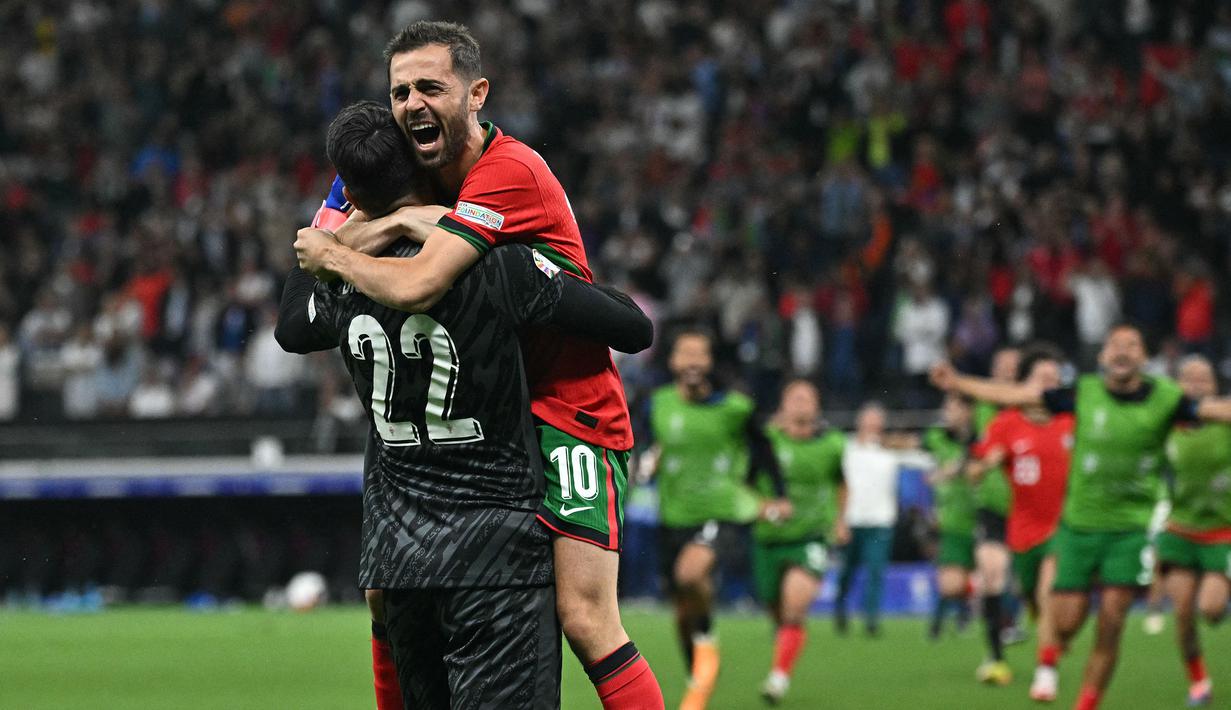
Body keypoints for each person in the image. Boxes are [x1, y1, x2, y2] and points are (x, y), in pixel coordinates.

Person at [295, 22, 664, 709]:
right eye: (400, 90)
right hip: (489, 412)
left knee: (584, 618)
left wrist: (347, 251)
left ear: (475, 93)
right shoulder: (402, 162)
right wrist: (376, 223)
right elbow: (304, 279)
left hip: (566, 407)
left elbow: (416, 283)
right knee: (387, 587)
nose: (411, 103)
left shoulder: (508, 171)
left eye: (430, 86)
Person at [931, 322, 1231, 710]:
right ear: (1103, 356)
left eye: (1132, 345)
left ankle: (1086, 703)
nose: (1123, 351)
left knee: (1112, 620)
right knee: (1066, 623)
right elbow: (1018, 394)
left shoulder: (1165, 399)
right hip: (1078, 530)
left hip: (1130, 531)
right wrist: (959, 382)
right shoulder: (1082, 394)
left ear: (1144, 357)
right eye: (1115, 345)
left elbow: (1212, 410)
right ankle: (1057, 645)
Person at [646, 329, 790, 710]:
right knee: (680, 613)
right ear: (673, 362)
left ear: (710, 363)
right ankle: (699, 675)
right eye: (685, 353)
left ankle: (707, 636)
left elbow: (763, 447)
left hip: (721, 511)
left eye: (700, 354)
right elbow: (645, 442)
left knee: (691, 574)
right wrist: (648, 458)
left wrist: (777, 494)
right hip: (672, 516)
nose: (693, 361)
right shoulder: (657, 403)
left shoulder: (735, 408)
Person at [968, 345, 1073, 701]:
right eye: (1042, 378)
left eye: (1055, 379)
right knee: (1032, 596)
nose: (1049, 385)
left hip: (1064, 527)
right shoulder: (1004, 420)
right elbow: (982, 458)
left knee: (1048, 592)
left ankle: (1045, 674)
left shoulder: (1075, 421)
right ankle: (1039, 630)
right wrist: (981, 466)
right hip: (1020, 527)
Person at [751, 380, 846, 704]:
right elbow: (746, 480)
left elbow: (841, 483)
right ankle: (786, 645)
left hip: (811, 537)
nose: (802, 404)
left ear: (817, 406)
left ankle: (778, 678)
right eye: (795, 398)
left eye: (808, 398)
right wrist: (761, 507)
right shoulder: (767, 441)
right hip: (769, 538)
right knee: (776, 609)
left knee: (795, 604)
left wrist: (840, 519)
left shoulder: (832, 444)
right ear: (783, 405)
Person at [1159, 355, 1231, 707]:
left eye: (1203, 379)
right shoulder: (1166, 424)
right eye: (1188, 378)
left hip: (1222, 532)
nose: (1196, 384)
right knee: (1184, 613)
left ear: (1215, 386)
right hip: (1180, 530)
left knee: (1211, 609)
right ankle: (1199, 682)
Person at [835, 401, 928, 637]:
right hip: (853, 518)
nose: (872, 425)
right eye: (869, 420)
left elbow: (923, 458)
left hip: (880, 521)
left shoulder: (889, 450)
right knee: (847, 571)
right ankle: (840, 611)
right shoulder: (846, 447)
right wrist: (839, 518)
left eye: (877, 421)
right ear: (860, 422)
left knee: (876, 571)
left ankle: (871, 620)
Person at [972, 347, 1021, 654]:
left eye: (1012, 367)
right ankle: (995, 653)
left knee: (1024, 583)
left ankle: (1046, 657)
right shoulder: (985, 407)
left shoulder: (1037, 410)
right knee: (992, 574)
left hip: (1030, 507)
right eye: (1000, 366)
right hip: (992, 503)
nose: (1006, 372)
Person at [922, 393, 977, 643]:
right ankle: (938, 625)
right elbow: (915, 444)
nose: (948, 413)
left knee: (987, 577)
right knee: (950, 584)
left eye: (953, 408)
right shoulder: (936, 437)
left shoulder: (981, 438)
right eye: (946, 408)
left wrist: (946, 473)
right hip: (953, 520)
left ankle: (999, 621)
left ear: (968, 411)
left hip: (984, 518)